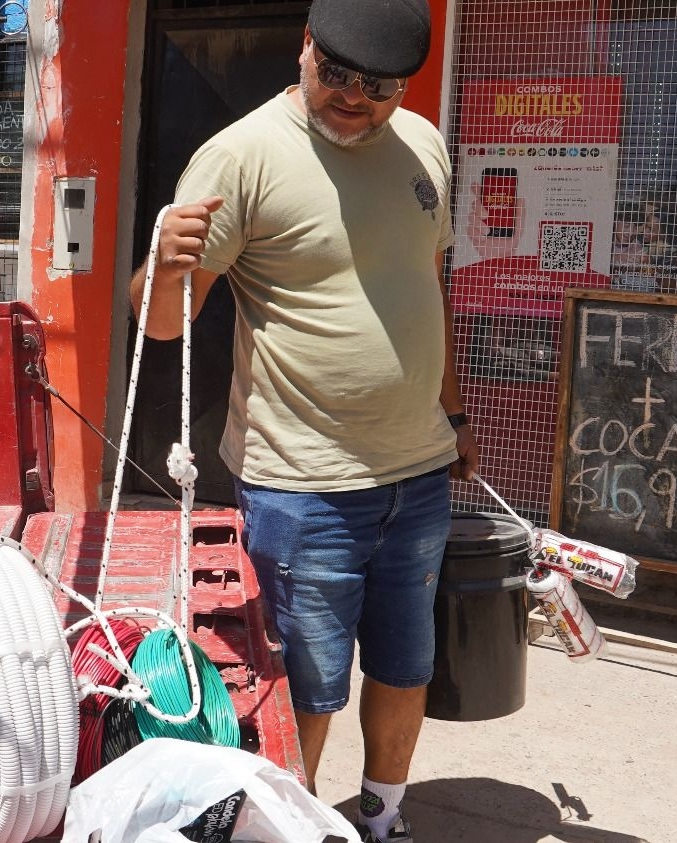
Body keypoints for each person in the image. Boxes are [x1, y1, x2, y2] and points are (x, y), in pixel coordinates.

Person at [128, 1, 478, 840]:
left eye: (381, 85)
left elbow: (429, 286)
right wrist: (161, 266)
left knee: (406, 665)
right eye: (340, 75)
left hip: (419, 471)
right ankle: (299, 825)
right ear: (306, 49)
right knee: (307, 686)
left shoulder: (423, 144)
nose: (357, 97)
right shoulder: (241, 156)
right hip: (303, 484)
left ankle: (384, 817)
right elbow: (162, 325)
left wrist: (455, 414)